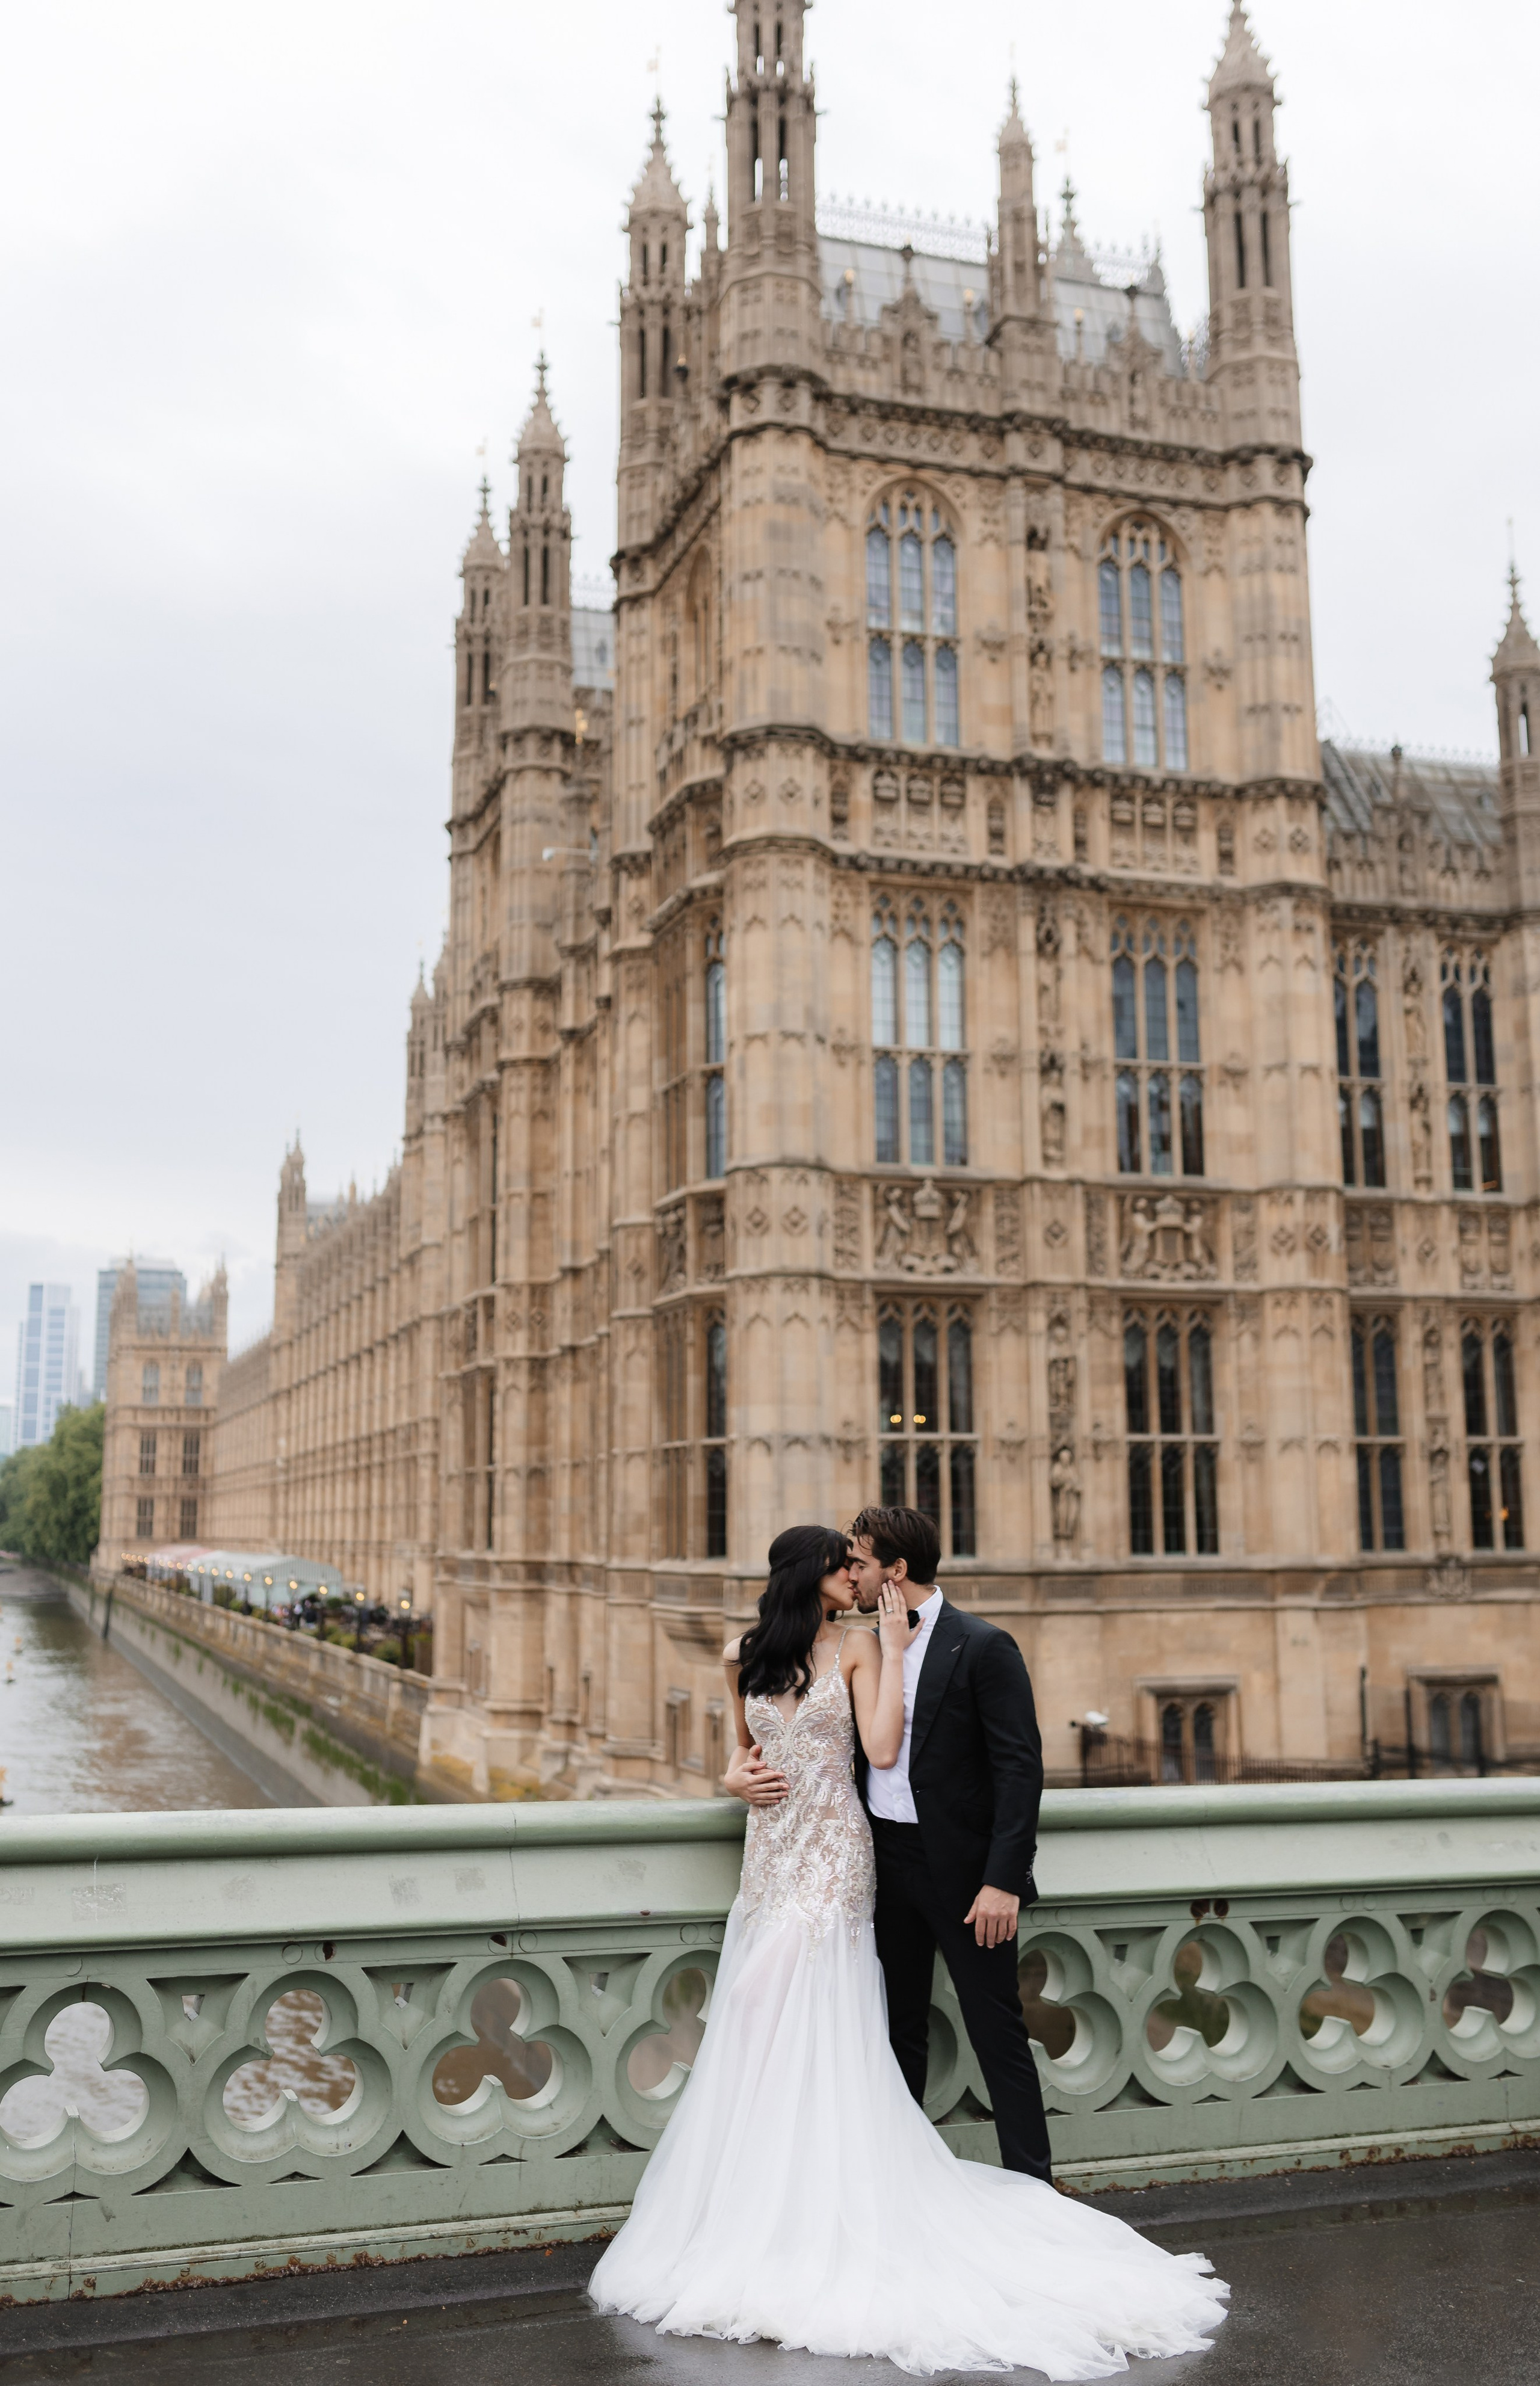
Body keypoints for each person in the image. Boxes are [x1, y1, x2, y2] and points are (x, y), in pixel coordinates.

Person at [588, 1519, 1227, 2376]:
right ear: (812, 1575)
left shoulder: (918, 1644)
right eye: (839, 1562)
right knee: (816, 2027)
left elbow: (987, 1761)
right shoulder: (748, 1653)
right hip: (797, 1858)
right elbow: (740, 1755)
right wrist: (732, 1776)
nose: (851, 1573)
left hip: (891, 1869)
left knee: (980, 2027)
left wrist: (1003, 1872)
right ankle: (782, 2202)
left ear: (891, 1570)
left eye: (860, 1561)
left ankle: (1016, 2188)